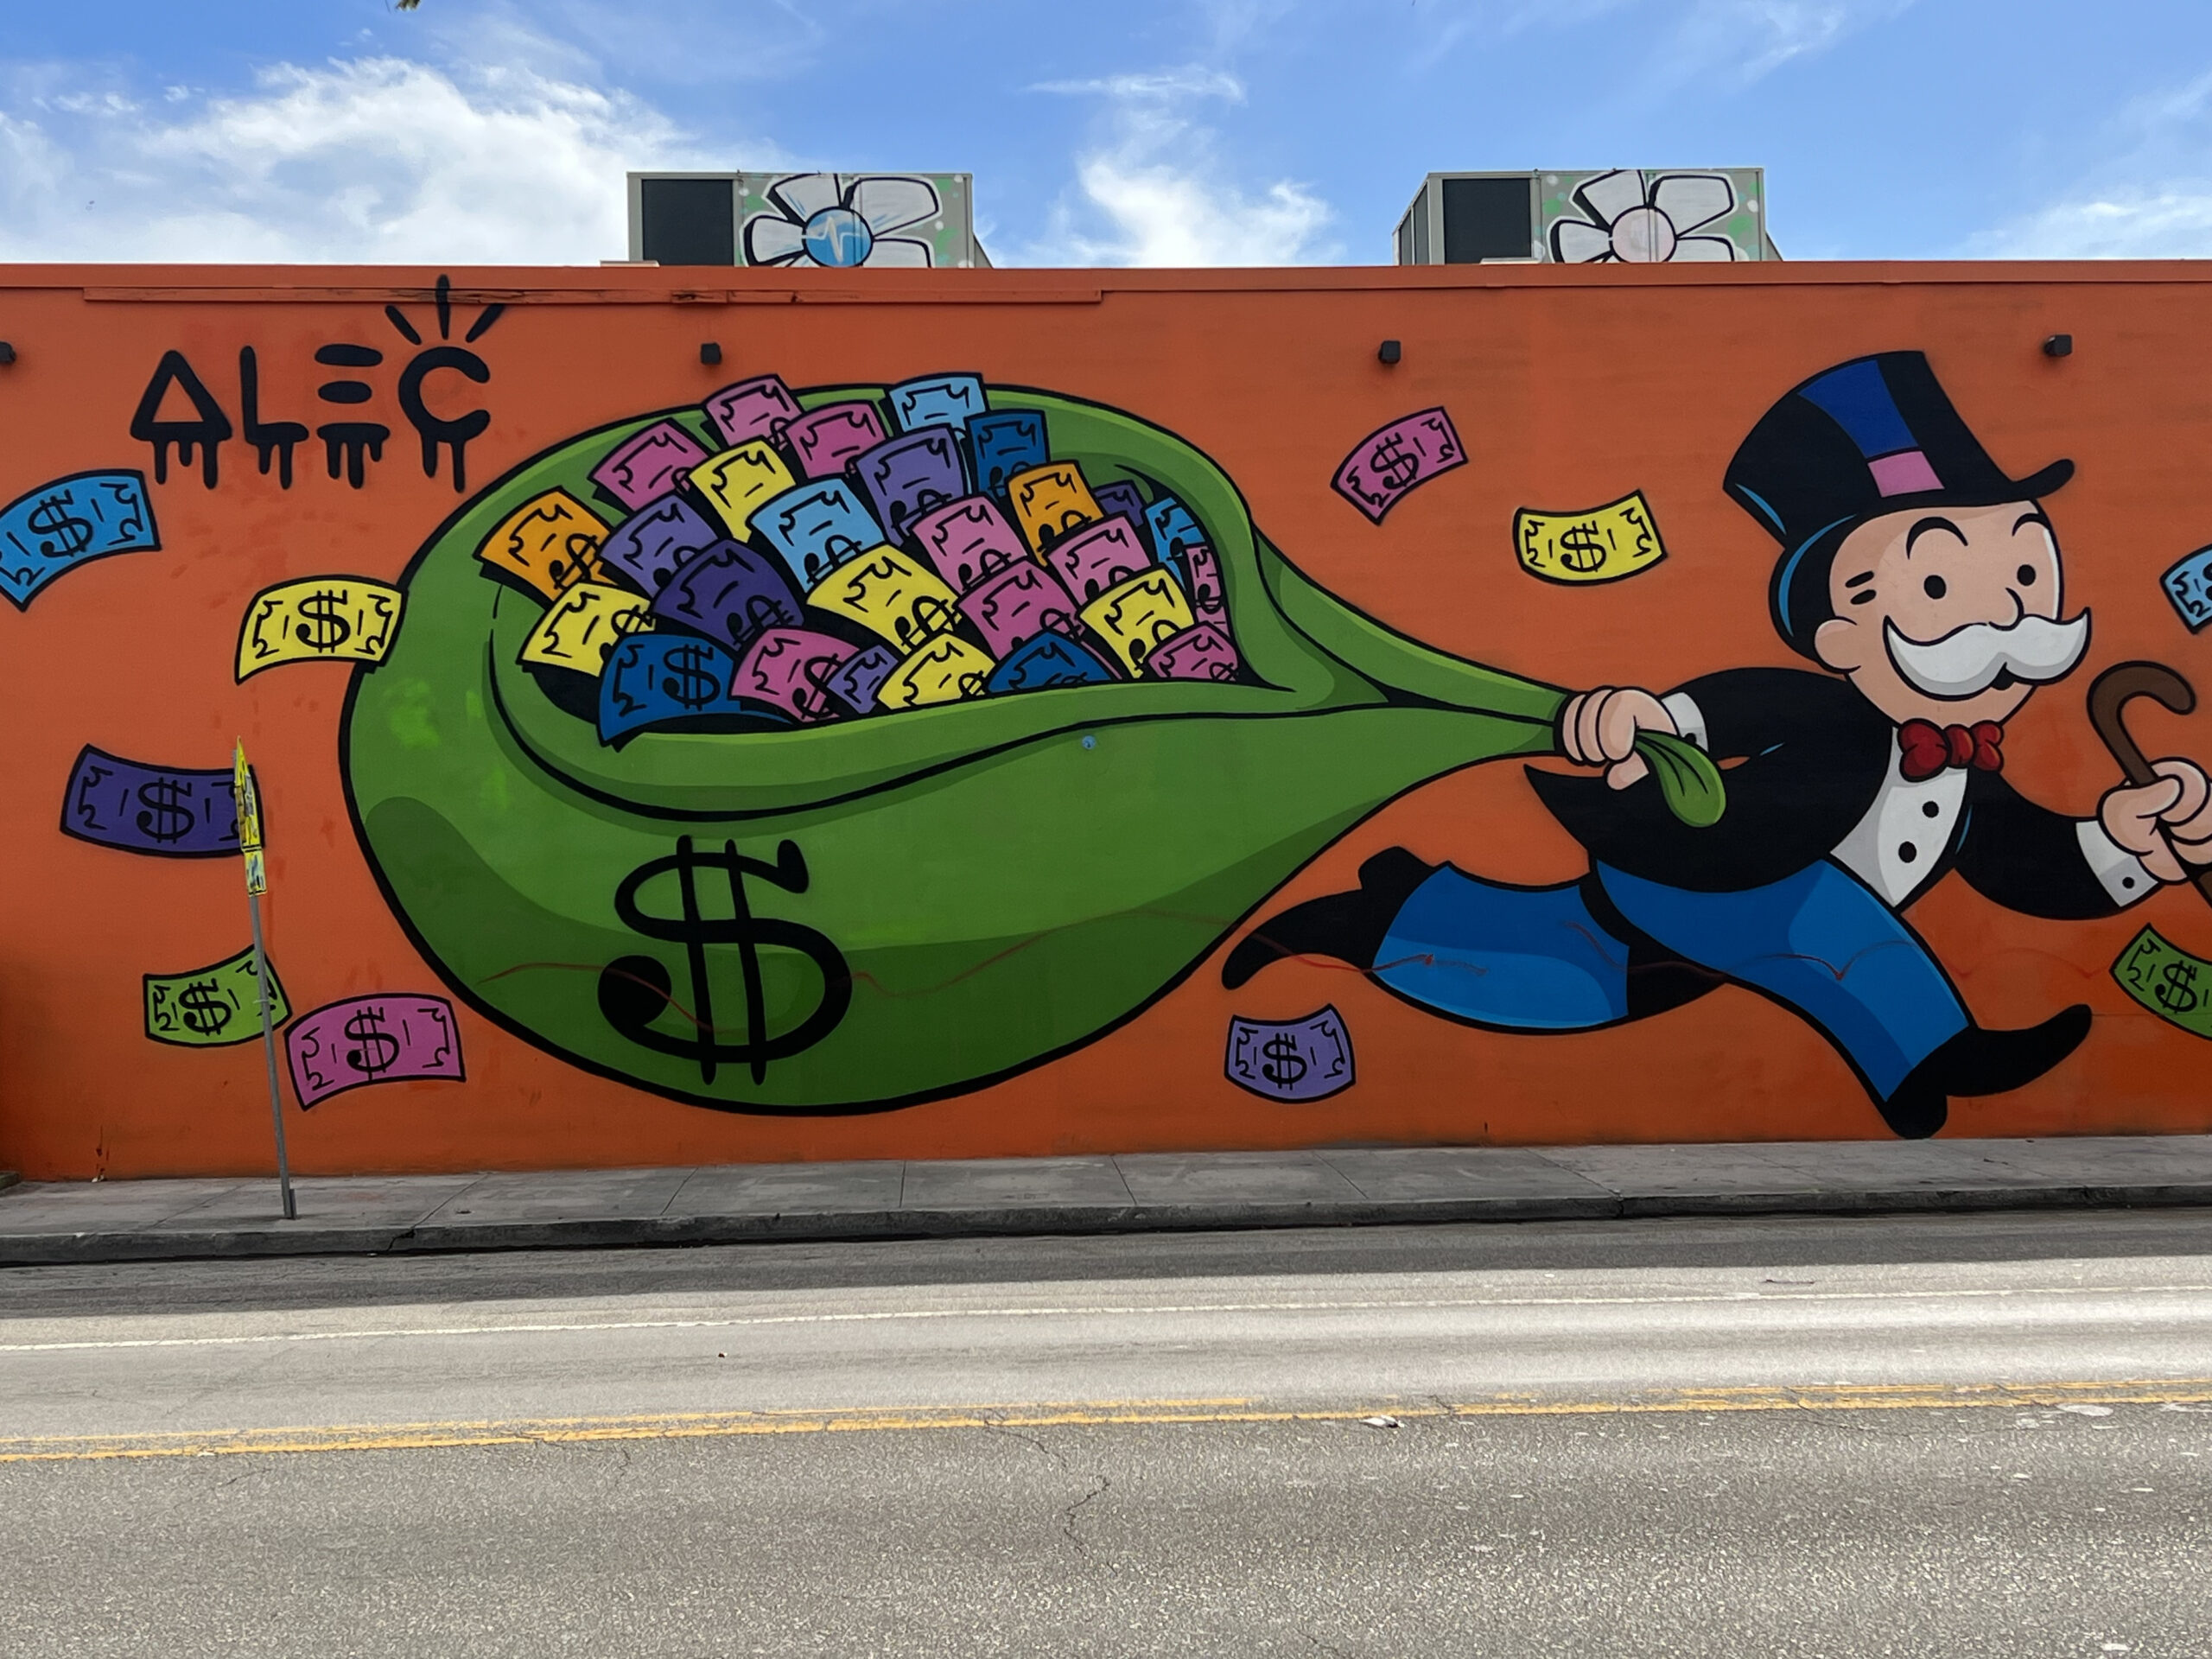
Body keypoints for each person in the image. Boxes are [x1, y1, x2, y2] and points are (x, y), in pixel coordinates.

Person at [1225, 352, 2212, 1136]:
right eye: (1941, 583)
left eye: (2028, 575)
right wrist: (1641, 717)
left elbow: (2027, 861)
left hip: (1678, 919)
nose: (2005, 615)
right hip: (1695, 866)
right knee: (1817, 917)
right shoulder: (1821, 707)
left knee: (1581, 980)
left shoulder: (1961, 767)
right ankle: (1931, 1055)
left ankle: (1392, 915)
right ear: (1838, 628)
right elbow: (1719, 709)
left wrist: (2132, 845)